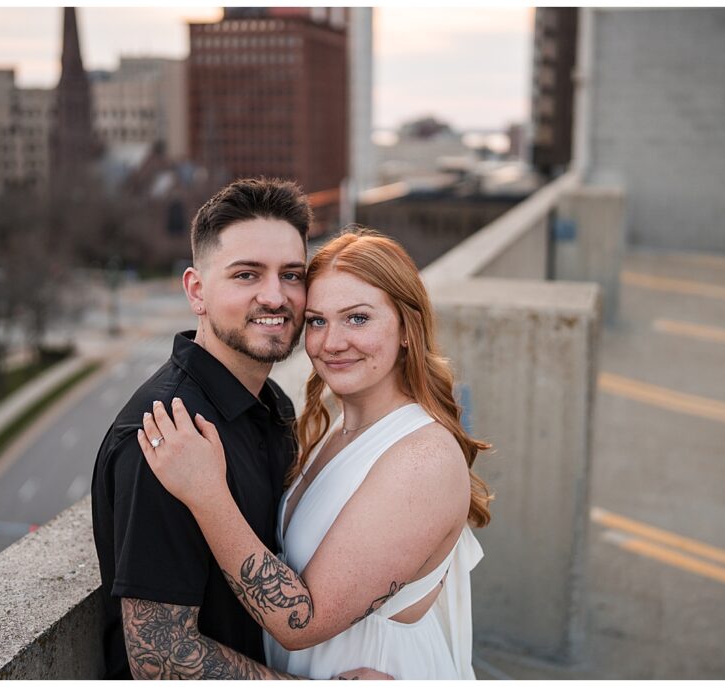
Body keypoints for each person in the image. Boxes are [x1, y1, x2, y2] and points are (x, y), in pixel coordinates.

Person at [139, 227, 493, 679]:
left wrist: (207, 494)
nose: (332, 343)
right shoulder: (336, 430)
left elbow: (300, 621)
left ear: (408, 327)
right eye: (317, 321)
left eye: (358, 318)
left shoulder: (421, 458)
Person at [91, 179, 387, 680]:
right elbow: (159, 657)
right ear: (197, 291)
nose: (275, 297)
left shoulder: (273, 406)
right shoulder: (167, 432)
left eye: (291, 275)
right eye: (247, 274)